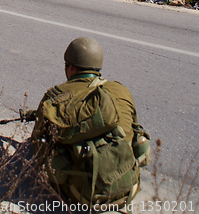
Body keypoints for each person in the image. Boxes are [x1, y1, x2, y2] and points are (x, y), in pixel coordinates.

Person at [30, 37, 150, 211]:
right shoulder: (121, 90)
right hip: (128, 188)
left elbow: (38, 145)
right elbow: (135, 131)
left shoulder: (55, 98)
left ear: (70, 67)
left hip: (83, 196)